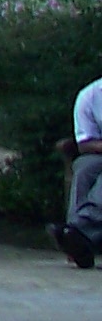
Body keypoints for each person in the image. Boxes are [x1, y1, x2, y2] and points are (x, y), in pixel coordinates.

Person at [56, 73, 102, 267]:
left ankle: (78, 231)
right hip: (97, 151)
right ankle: (77, 241)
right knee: (84, 169)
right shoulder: (90, 96)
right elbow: (84, 143)